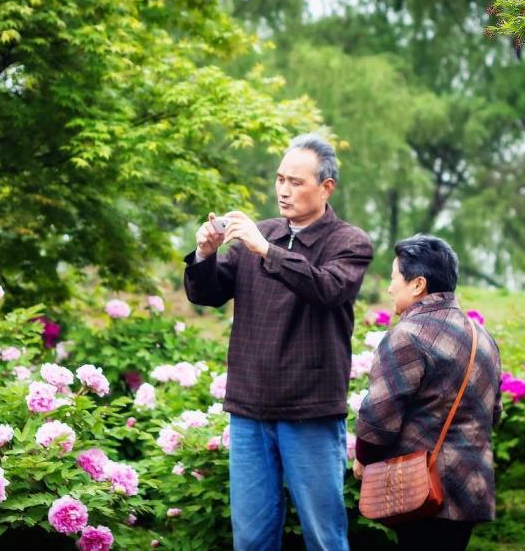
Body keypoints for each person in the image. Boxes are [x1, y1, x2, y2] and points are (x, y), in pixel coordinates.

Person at [183, 134, 374, 551]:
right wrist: (204, 254)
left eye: (296, 182)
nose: (284, 190)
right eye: (279, 179)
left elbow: (327, 288)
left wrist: (265, 249)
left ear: (327, 187)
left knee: (324, 536)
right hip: (249, 408)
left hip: (310, 409)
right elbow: (207, 294)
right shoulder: (260, 235)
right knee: (251, 538)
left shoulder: (348, 242)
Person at [353, 235, 502, 551]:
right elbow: (494, 414)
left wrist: (364, 458)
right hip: (471, 486)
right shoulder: (482, 336)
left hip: (422, 487)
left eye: (394, 278)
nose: (390, 288)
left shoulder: (407, 336)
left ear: (418, 284)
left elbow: (379, 417)